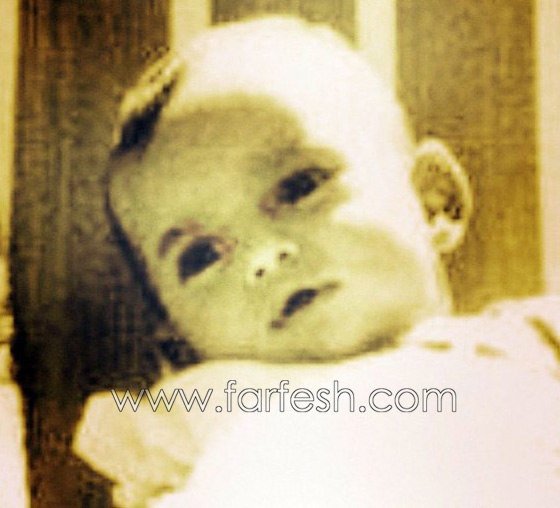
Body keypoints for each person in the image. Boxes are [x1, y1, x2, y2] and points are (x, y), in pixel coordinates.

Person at [75, 16, 560, 507]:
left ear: (433, 201)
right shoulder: (192, 435)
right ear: (177, 342)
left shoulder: (527, 343)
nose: (263, 255)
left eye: (300, 187)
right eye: (201, 256)